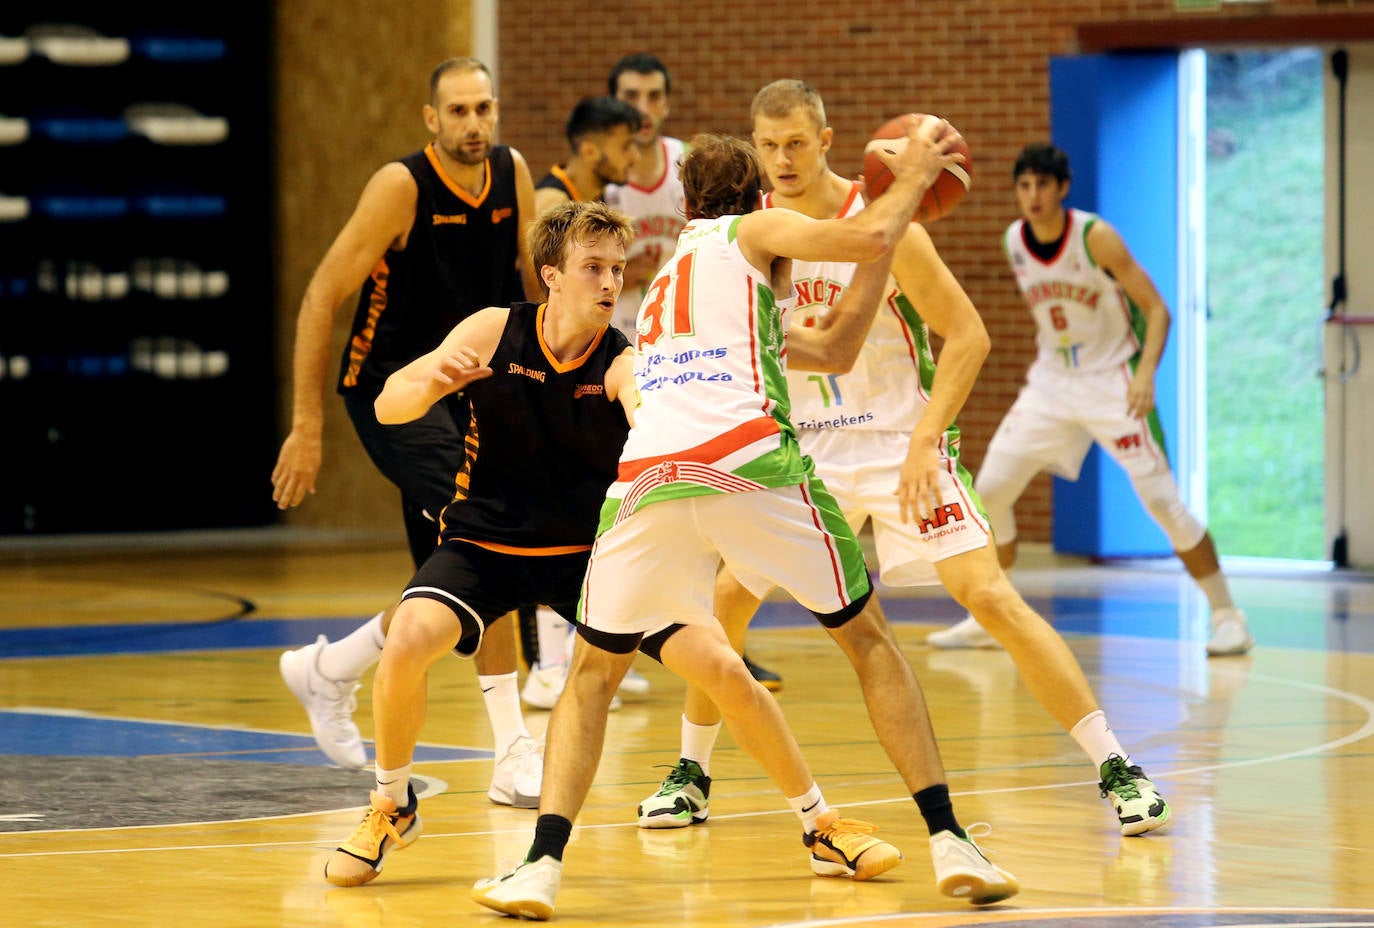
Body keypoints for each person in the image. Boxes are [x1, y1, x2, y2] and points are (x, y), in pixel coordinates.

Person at [471, 126, 1019, 922]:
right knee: (868, 640)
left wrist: (884, 236)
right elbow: (863, 236)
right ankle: (949, 838)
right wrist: (911, 188)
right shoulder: (751, 231)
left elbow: (830, 350)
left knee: (591, 676)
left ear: (685, 201)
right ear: (759, 199)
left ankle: (539, 866)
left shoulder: (658, 289)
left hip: (649, 479)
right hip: (748, 462)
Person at [636, 82, 1171, 842]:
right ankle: (691, 771)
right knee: (724, 600)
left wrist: (926, 438)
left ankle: (1115, 765)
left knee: (988, 595)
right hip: (804, 450)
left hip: (897, 445)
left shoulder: (885, 223)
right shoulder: (751, 235)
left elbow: (970, 336)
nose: (781, 159)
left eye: (796, 142)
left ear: (827, 140)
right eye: (768, 145)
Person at [323, 200, 642, 887]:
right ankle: (389, 805)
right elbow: (388, 405)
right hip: (486, 541)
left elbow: (643, 413)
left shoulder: (623, 358)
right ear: (551, 275)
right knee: (407, 638)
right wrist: (430, 382)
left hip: (585, 555)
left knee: (710, 655)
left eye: (618, 268)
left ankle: (811, 817)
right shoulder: (496, 330)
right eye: (595, 268)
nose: (611, 282)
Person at [270, 57, 546, 808]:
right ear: (431, 119)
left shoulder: (512, 172)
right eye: (457, 111)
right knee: (494, 530)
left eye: (483, 108)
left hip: (473, 388)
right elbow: (323, 297)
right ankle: (514, 749)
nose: (473, 124)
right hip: (394, 391)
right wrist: (306, 427)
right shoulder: (400, 188)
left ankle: (331, 670)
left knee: (450, 584)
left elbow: (530, 281)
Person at [928, 142, 1253, 658]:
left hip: (1112, 382)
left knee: (1163, 503)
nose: (1032, 196)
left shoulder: (1095, 237)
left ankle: (1228, 616)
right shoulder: (1014, 240)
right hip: (1052, 384)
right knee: (988, 495)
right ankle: (989, 612)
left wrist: (1145, 373)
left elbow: (1156, 309)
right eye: (1024, 185)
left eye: (1041, 185)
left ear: (1062, 188)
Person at [604, 50, 784, 693]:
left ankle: (720, 642)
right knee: (638, 509)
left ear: (667, 104)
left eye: (653, 96)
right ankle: (612, 639)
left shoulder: (695, 166)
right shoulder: (610, 185)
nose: (642, 109)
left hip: (700, 357)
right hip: (628, 352)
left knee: (717, 506)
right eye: (630, 96)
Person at [519, 95, 649, 710]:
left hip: (586, 362)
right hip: (543, 368)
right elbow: (544, 297)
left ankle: (589, 646)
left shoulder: (596, 206)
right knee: (552, 506)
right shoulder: (553, 202)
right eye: (625, 143)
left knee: (590, 505)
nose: (634, 154)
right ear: (593, 146)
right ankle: (549, 662)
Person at [533, 96, 642, 215]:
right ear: (589, 152)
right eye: (625, 147)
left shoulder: (600, 196)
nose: (636, 156)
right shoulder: (552, 206)